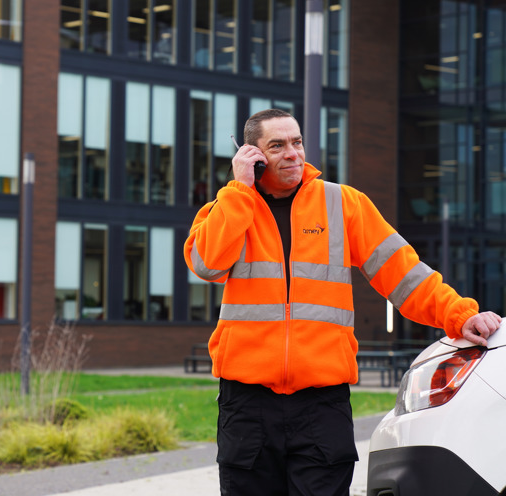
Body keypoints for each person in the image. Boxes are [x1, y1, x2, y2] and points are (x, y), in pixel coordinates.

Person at [183, 108, 502, 496]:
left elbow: (403, 272)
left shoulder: (343, 203)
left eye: (297, 142)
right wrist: (239, 191)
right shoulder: (230, 207)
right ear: (253, 155)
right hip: (248, 405)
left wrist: (458, 315)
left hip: (322, 403)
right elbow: (205, 263)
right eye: (277, 145)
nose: (293, 154)